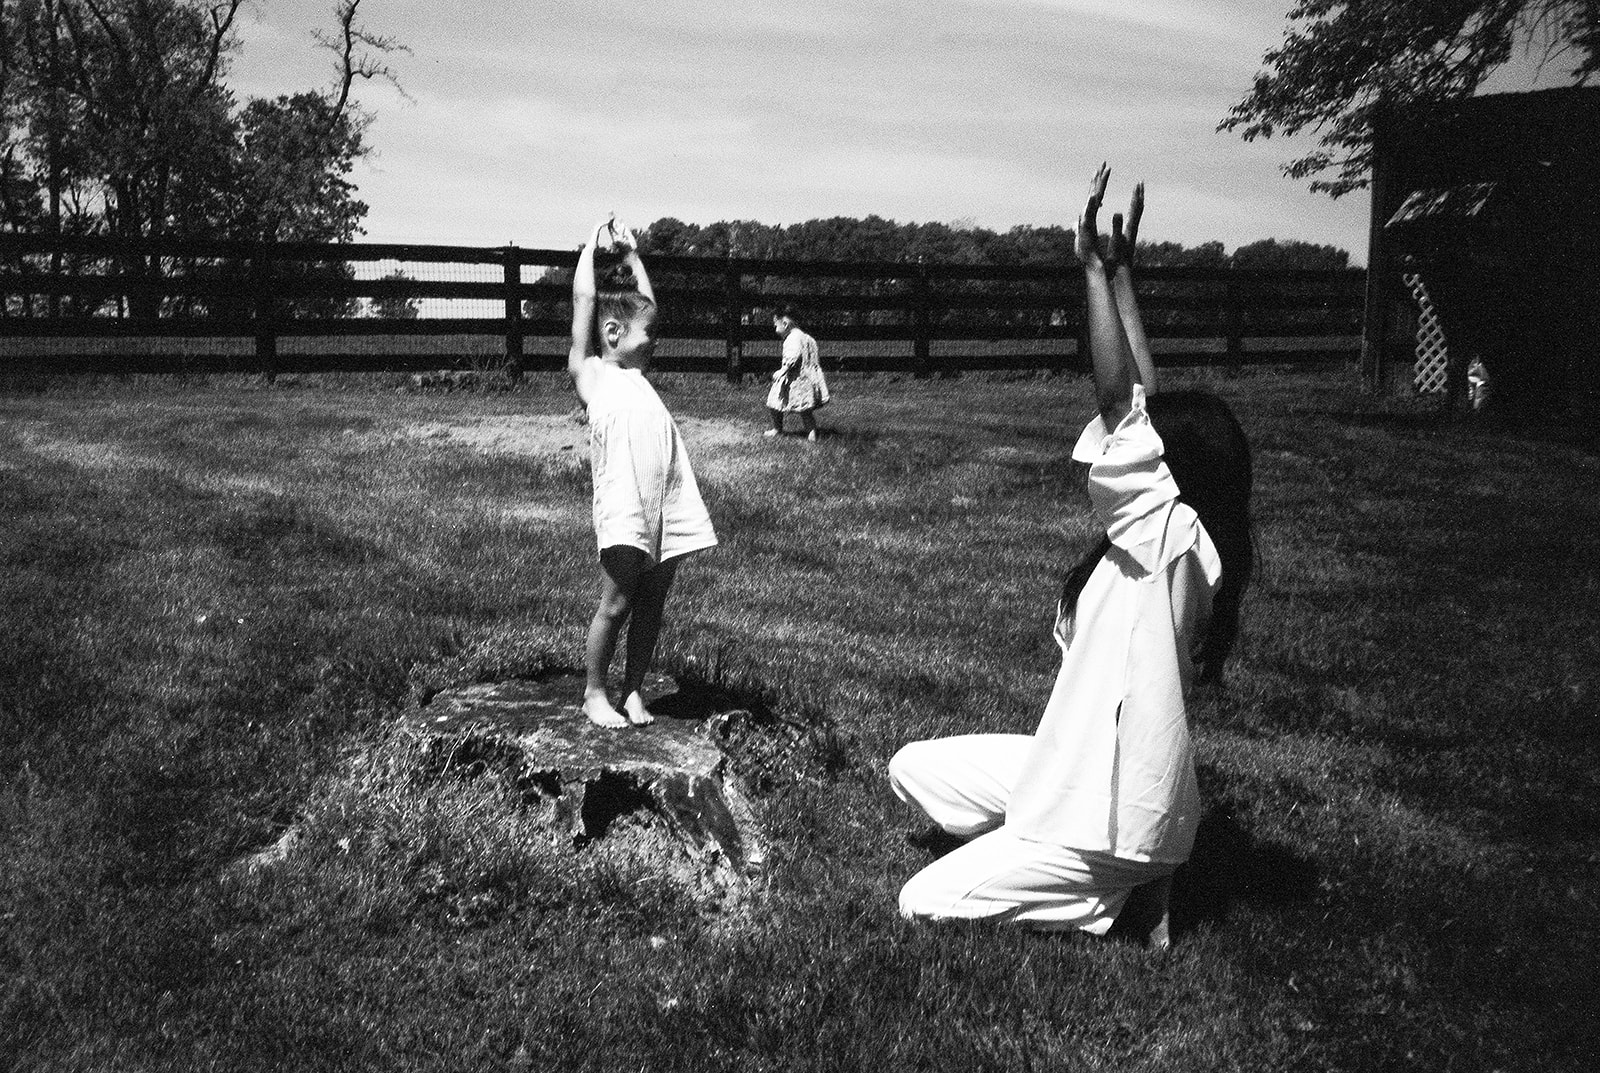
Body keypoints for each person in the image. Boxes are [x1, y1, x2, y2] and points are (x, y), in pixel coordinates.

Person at [888, 167, 1255, 944]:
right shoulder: (1168, 530)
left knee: (920, 900)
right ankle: (1038, 842)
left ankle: (1119, 890)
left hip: (1114, 820)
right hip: (1074, 768)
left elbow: (1123, 406)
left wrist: (1089, 270)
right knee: (911, 766)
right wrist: (1122, 279)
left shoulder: (1176, 543)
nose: (1139, 447)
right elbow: (1143, 407)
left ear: (1172, 478)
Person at [569, 216, 718, 728]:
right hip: (625, 502)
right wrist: (590, 250)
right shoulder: (594, 373)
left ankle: (633, 690)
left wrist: (632, 257)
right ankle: (594, 693)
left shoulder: (637, 375)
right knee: (618, 601)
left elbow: (646, 308)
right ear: (612, 333)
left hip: (666, 499)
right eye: (647, 334)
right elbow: (584, 305)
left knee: (653, 601)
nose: (654, 340)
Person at [764, 304, 830, 440]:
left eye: (776, 325)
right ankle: (812, 433)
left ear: (785, 324)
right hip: (805, 379)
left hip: (792, 378)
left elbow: (793, 356)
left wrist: (783, 370)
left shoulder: (792, 338)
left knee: (774, 402)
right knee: (805, 410)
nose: (775, 329)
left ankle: (777, 428)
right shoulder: (806, 337)